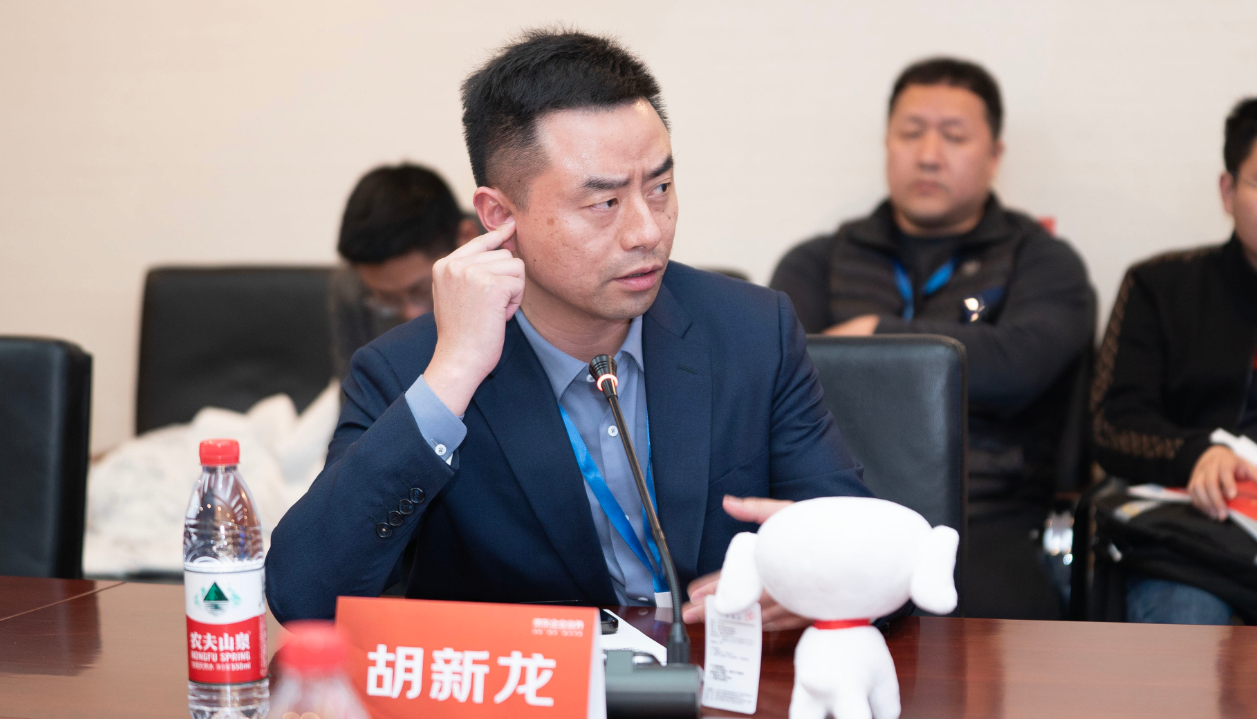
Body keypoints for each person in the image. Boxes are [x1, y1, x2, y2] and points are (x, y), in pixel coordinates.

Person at [266, 30, 870, 625]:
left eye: (660, 187)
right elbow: (306, 596)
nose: (647, 231)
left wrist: (813, 579)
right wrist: (454, 373)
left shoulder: (752, 331)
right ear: (500, 216)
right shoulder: (408, 370)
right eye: (604, 203)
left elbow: (862, 546)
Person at [770, 57, 1093, 620]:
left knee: (989, 656)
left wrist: (875, 333)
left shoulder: (1040, 261)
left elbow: (1021, 365)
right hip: (842, 509)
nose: (928, 155)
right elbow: (781, 377)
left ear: (995, 155)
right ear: (887, 143)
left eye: (954, 136)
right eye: (911, 132)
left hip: (985, 515)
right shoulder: (817, 262)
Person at [1091, 97, 1257, 625]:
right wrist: (1196, 454)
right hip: (1193, 544)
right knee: (1187, 624)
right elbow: (1112, 425)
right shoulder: (1159, 287)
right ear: (1228, 192)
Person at [328, 163, 481, 380]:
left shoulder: (518, 268)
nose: (410, 314)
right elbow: (354, 389)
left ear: (466, 237)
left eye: (424, 290)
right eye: (387, 299)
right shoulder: (352, 288)